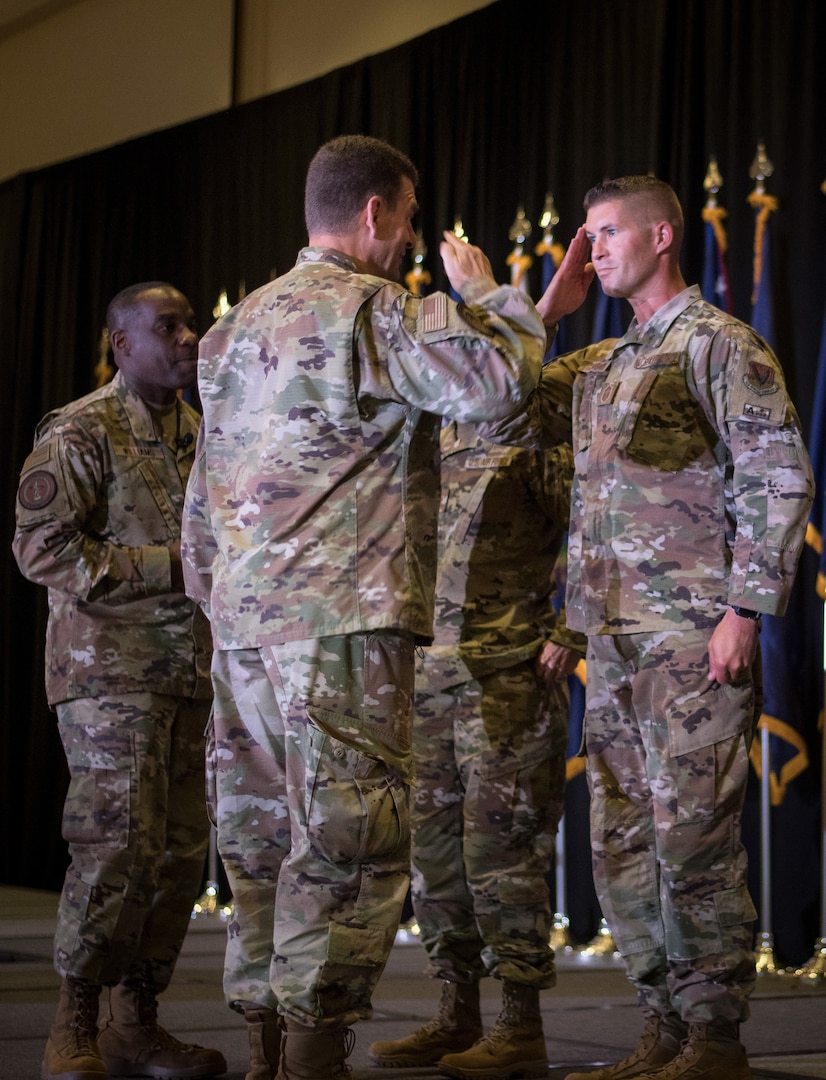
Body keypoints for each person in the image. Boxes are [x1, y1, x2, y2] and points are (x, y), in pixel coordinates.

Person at [180, 134, 578, 1080]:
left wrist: (226, 607)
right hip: (340, 632)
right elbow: (495, 384)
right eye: (403, 221)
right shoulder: (372, 310)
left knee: (259, 843)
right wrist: (489, 295)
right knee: (347, 848)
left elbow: (204, 499)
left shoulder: (233, 332)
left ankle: (268, 1053)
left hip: (241, 637)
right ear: (374, 216)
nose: (405, 240)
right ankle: (313, 1062)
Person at [527, 177, 815, 1080]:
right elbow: (504, 401)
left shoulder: (721, 345)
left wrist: (745, 612)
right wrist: (551, 306)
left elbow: (779, 478)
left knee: (692, 841)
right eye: (585, 233)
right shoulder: (606, 362)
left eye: (607, 232)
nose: (593, 247)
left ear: (662, 234)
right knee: (620, 842)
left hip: (692, 640)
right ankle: (660, 1026)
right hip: (612, 648)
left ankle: (715, 1035)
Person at [12, 282, 226, 1080]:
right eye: (168, 327)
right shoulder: (81, 430)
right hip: (109, 678)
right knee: (113, 850)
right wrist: (166, 566)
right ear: (121, 344)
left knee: (175, 856)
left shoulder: (207, 435)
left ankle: (136, 1023)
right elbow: (40, 550)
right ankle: (73, 1022)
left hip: (187, 677)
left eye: (190, 324)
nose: (188, 338)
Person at [366, 426, 585, 1078]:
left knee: (504, 858)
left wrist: (574, 626)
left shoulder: (530, 432)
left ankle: (521, 1026)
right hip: (426, 680)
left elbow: (602, 523)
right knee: (435, 863)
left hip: (510, 680)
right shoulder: (422, 431)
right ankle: (456, 1011)